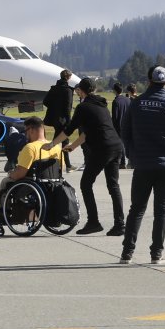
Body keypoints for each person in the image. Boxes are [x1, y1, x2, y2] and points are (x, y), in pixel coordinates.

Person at [118, 66, 165, 266]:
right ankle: (156, 254)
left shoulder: (136, 104)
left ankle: (127, 253)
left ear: (149, 81)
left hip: (142, 163)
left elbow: (125, 131)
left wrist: (131, 154)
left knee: (136, 209)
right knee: (161, 211)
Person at [55, 78, 124, 237]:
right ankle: (120, 225)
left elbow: (69, 130)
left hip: (103, 149)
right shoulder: (101, 105)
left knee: (85, 184)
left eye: (78, 90)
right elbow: (87, 133)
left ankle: (93, 222)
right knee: (113, 186)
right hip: (116, 146)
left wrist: (52, 144)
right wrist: (73, 146)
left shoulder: (83, 107)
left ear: (81, 91)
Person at [0, 116, 62, 225]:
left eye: (25, 131)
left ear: (31, 130)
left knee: (5, 182)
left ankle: (2, 214)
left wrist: (11, 173)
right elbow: (60, 168)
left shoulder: (30, 148)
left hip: (32, 185)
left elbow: (20, 174)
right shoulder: (56, 148)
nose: (25, 134)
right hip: (52, 183)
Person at [43, 69, 77, 169]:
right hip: (63, 120)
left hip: (53, 118)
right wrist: (69, 121)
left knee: (62, 140)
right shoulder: (68, 90)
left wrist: (54, 108)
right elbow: (68, 107)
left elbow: (45, 101)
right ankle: (47, 160)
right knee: (59, 141)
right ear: (69, 77)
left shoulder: (53, 88)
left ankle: (67, 165)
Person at [111, 83, 135, 169]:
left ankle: (122, 162)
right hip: (128, 124)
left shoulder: (116, 101)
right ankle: (131, 162)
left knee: (121, 145)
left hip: (119, 126)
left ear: (114, 90)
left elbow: (115, 117)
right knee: (128, 144)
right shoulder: (128, 100)